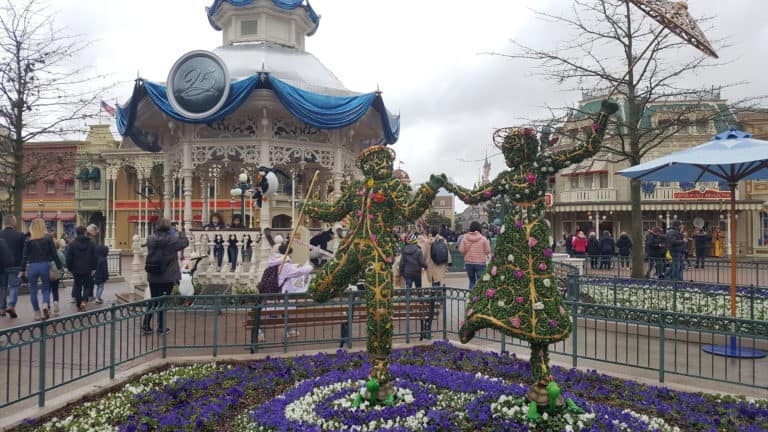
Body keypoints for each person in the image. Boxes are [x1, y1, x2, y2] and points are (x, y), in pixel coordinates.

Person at [142, 218, 189, 335]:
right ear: (168, 227)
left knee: (153, 299)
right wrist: (181, 232)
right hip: (168, 275)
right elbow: (185, 243)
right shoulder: (172, 240)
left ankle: (146, 325)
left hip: (153, 273)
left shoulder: (150, 238)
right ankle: (161, 327)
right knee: (163, 301)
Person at [21, 218, 63, 320]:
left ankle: (37, 313)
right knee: (46, 288)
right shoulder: (48, 238)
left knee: (33, 290)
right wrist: (59, 266)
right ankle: (45, 304)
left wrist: (22, 269)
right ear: (43, 226)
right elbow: (54, 254)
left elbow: (24, 257)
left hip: (32, 266)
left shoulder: (28, 240)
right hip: (45, 265)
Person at [422, 226, 450, 340]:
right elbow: (447, 253)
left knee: (434, 282)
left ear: (430, 233)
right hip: (440, 266)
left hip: (431, 266)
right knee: (437, 281)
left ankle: (433, 300)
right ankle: (437, 297)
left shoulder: (427, 242)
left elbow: (424, 255)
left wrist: (424, 264)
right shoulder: (443, 240)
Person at [66, 226, 97, 312]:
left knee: (77, 286)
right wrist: (94, 268)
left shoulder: (72, 244)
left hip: (76, 269)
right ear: (85, 232)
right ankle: (84, 301)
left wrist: (69, 268)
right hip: (88, 268)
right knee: (87, 286)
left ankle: (79, 304)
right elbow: (94, 257)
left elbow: (69, 257)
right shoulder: (91, 243)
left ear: (76, 233)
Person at [0, 215, 25, 319]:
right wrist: (24, 267)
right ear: (13, 222)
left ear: (4, 223)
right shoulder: (20, 235)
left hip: (1, 265)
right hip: (15, 265)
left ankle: (2, 308)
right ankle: (11, 305)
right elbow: (24, 252)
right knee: (14, 286)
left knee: (2, 286)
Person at [459, 221, 491, 289]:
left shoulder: (465, 238)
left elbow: (461, 250)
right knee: (480, 282)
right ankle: (479, 295)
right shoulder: (483, 238)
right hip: (480, 263)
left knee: (472, 281)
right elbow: (488, 251)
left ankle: (471, 295)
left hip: (468, 263)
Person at [49, 239, 67, 314]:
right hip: (56, 273)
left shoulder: (46, 253)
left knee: (47, 290)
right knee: (55, 289)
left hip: (48, 272)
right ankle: (55, 302)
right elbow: (64, 263)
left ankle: (47, 305)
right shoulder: (60, 253)